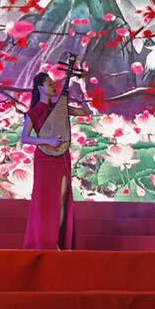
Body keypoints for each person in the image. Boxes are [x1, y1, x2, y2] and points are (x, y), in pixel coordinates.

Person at [21, 72, 91, 249]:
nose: (53, 86)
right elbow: (25, 138)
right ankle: (44, 240)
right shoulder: (34, 112)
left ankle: (57, 241)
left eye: (53, 83)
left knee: (61, 198)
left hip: (61, 156)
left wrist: (81, 98)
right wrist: (47, 140)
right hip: (44, 159)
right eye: (49, 84)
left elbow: (86, 112)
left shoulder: (59, 108)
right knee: (44, 200)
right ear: (40, 88)